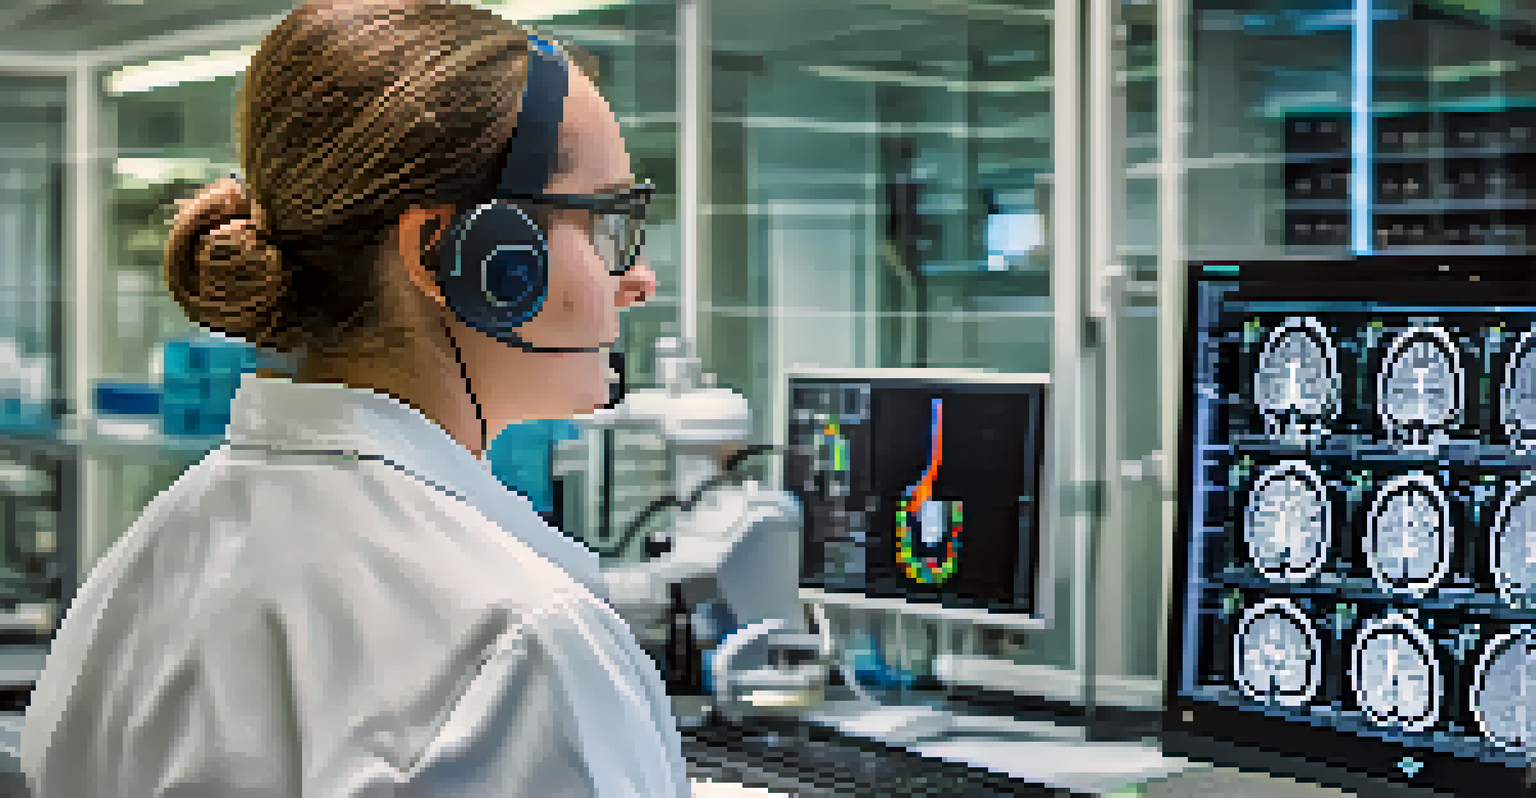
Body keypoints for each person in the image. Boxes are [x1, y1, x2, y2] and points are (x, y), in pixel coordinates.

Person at [19, 1, 691, 795]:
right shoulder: (519, 644)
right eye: (607, 220)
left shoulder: (135, 576)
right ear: (447, 251)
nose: (637, 279)